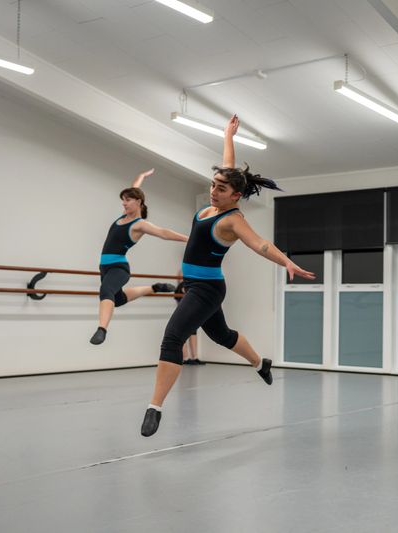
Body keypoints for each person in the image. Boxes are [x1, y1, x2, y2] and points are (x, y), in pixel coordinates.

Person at [141, 115, 315, 437]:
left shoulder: (232, 220)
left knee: (173, 337)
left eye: (221, 189)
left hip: (206, 289)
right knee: (221, 335)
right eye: (212, 185)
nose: (213, 191)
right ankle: (261, 363)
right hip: (196, 285)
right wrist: (228, 136)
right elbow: (228, 167)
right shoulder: (213, 205)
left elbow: (261, 244)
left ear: (235, 195)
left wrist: (285, 262)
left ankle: (155, 407)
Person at [90, 168, 188, 345]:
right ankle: (155, 287)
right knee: (117, 300)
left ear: (139, 202)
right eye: (123, 201)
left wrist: (189, 239)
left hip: (118, 268)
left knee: (106, 291)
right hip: (104, 268)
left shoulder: (139, 224)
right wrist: (140, 177)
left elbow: (163, 233)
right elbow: (134, 188)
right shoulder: (123, 217)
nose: (124, 204)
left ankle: (102, 329)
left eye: (127, 200)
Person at [173, 274, 204, 365]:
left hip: (192, 313)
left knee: (193, 334)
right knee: (183, 335)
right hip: (184, 313)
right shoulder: (183, 286)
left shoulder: (191, 284)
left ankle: (194, 357)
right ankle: (185, 358)